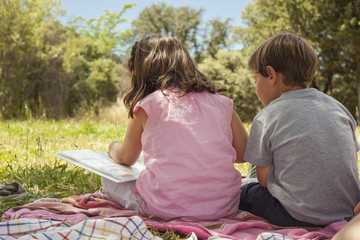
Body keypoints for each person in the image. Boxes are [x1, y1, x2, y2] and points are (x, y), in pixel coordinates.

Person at [102, 34, 248, 221]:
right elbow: (243, 153)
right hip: (224, 207)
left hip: (165, 209)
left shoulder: (147, 105)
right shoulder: (222, 103)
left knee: (108, 179)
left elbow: (126, 157)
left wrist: (113, 146)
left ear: (141, 71)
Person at [239, 32, 360, 227]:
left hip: (293, 214)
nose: (255, 87)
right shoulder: (338, 108)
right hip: (345, 212)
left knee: (244, 192)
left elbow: (263, 180)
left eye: (255, 79)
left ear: (271, 75)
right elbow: (349, 160)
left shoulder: (266, 117)